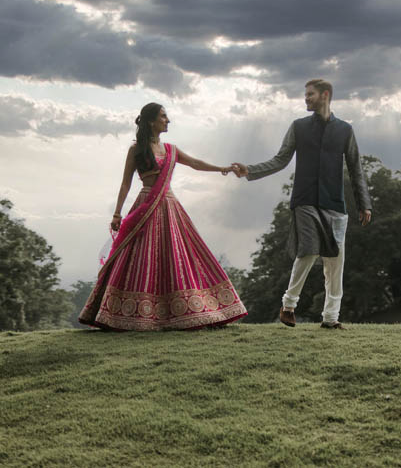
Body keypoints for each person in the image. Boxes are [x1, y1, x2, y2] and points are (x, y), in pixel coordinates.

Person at [78, 103, 248, 330]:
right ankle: (131, 314)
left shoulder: (171, 150)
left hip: (169, 206)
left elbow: (196, 164)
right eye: (163, 116)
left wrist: (223, 168)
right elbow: (126, 182)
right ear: (151, 121)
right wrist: (117, 212)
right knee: (140, 257)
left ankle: (190, 310)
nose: (168, 120)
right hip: (146, 204)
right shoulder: (137, 149)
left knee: (179, 255)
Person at [232, 79, 371, 329]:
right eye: (305, 95)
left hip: (335, 204)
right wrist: (249, 170)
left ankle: (330, 319)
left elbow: (355, 168)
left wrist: (364, 203)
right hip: (305, 201)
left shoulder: (345, 131)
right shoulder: (298, 127)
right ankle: (288, 306)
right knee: (308, 250)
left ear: (325, 95)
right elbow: (280, 160)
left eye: (310, 94)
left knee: (335, 261)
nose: (306, 98)